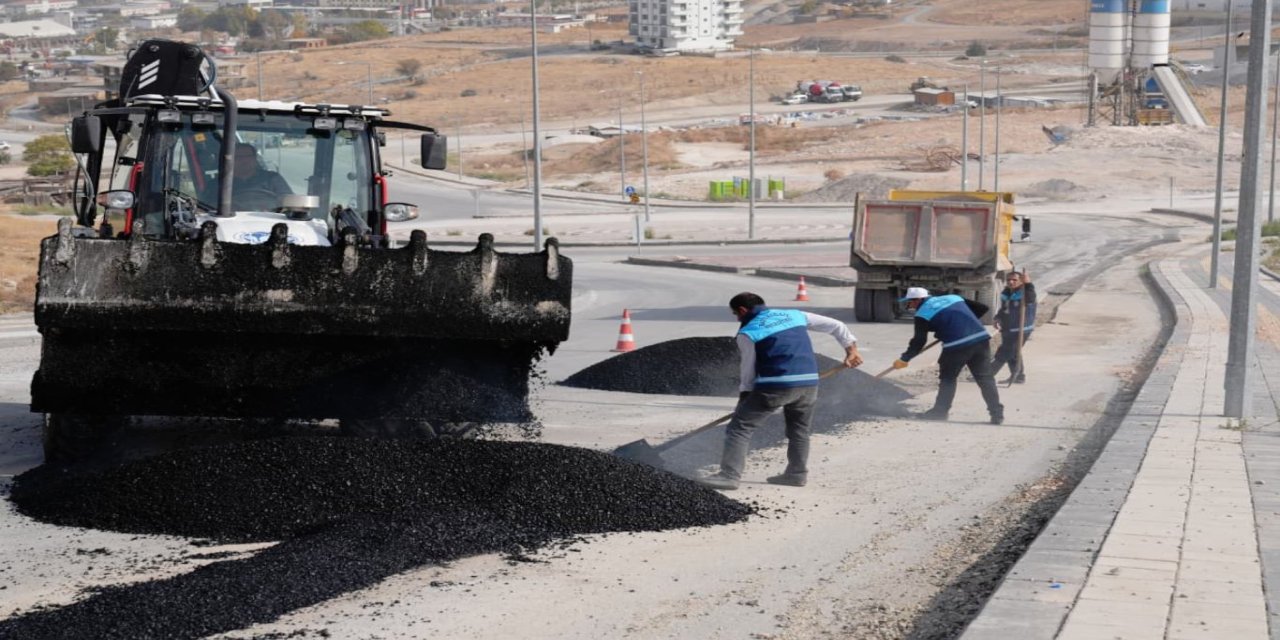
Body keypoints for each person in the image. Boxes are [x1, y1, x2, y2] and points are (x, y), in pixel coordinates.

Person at [697, 292, 863, 491]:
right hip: (809, 383)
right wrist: (851, 351)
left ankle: (729, 476)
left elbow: (748, 371)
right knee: (799, 430)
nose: (737, 319)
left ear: (742, 310)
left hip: (775, 385)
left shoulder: (748, 332)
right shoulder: (793, 315)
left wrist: (745, 398)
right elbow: (837, 325)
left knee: (739, 428)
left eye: (736, 314)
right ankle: (796, 474)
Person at [892, 287, 1004, 425]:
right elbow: (982, 308)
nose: (909, 306)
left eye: (910, 302)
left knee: (948, 379)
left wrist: (905, 358)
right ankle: (997, 414)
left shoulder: (922, 314)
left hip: (956, 347)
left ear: (918, 300)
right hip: (980, 340)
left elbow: (919, 341)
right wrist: (963, 321)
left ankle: (940, 412)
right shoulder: (953, 298)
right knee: (985, 378)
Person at [204, 142, 292, 211]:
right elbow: (206, 209)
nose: (244, 161)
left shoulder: (273, 179)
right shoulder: (217, 184)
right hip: (231, 222)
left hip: (270, 219)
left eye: (248, 156)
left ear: (255, 158)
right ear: (230, 160)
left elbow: (290, 202)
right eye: (239, 157)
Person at [990, 271, 1036, 384]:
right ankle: (1019, 376)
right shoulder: (1007, 292)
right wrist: (998, 318)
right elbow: (1004, 309)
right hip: (1008, 328)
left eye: (1015, 280)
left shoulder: (1025, 292)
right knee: (1013, 353)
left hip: (1021, 329)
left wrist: (1028, 283)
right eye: (1009, 279)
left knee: (1004, 352)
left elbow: (1031, 298)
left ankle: (987, 375)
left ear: (1021, 281)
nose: (1011, 282)